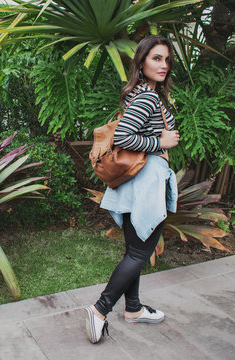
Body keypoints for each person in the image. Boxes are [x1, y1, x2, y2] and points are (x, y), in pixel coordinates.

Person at [84, 35, 180, 344]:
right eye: (156, 58)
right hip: (147, 183)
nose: (163, 64)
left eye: (166, 59)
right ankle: (100, 309)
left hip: (135, 183)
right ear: (141, 62)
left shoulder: (142, 93)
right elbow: (124, 137)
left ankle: (134, 309)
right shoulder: (148, 97)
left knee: (134, 250)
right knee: (140, 253)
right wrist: (160, 143)